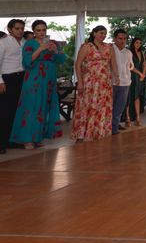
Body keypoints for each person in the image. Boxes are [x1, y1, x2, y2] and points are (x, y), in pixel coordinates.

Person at [11, 20, 66, 149]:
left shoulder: (52, 43)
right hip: (34, 79)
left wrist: (56, 51)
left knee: (43, 108)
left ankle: (37, 137)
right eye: (38, 30)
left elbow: (61, 60)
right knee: (31, 108)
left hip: (49, 80)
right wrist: (40, 49)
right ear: (34, 31)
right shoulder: (29, 43)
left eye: (44, 30)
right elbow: (27, 62)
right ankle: (27, 139)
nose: (41, 33)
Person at [71, 25, 118, 142]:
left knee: (102, 107)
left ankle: (99, 133)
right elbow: (78, 64)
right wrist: (80, 82)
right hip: (90, 82)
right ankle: (81, 135)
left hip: (104, 82)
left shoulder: (109, 47)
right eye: (101, 33)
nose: (103, 35)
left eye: (105, 33)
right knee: (87, 106)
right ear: (94, 33)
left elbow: (113, 64)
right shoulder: (87, 46)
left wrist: (116, 76)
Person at [0, 19, 26, 153]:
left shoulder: (24, 42)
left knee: (16, 111)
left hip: (21, 77)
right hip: (7, 78)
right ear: (10, 29)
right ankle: (1, 143)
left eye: (22, 28)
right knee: (4, 112)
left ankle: (11, 141)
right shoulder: (3, 43)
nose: (20, 31)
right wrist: (0, 81)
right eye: (17, 28)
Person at [111, 29, 132, 135]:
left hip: (125, 83)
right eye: (120, 38)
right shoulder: (110, 49)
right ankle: (106, 129)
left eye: (124, 38)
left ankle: (114, 129)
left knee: (119, 108)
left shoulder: (128, 52)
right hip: (111, 82)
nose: (122, 41)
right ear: (115, 38)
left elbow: (130, 66)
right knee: (109, 107)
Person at [126, 37, 146, 126]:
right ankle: (128, 118)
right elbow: (130, 66)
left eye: (140, 43)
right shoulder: (129, 52)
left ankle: (138, 118)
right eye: (137, 42)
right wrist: (140, 73)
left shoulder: (141, 53)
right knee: (129, 97)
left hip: (140, 78)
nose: (138, 44)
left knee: (137, 97)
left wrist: (143, 74)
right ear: (133, 43)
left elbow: (144, 65)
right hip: (131, 76)